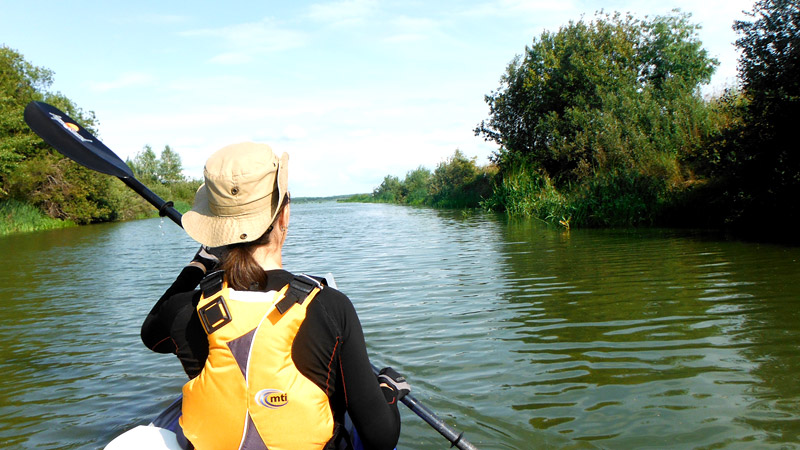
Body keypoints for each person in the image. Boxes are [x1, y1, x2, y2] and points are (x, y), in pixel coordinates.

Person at [141, 142, 408, 450]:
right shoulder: (331, 308)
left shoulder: (182, 311)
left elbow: (151, 333)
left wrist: (198, 265)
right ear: (284, 216)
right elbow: (381, 439)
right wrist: (388, 389)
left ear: (212, 230)